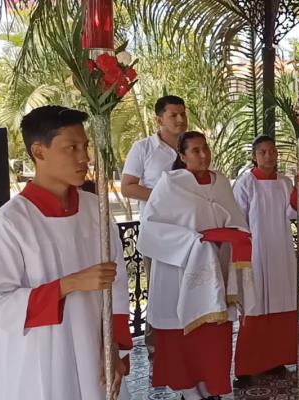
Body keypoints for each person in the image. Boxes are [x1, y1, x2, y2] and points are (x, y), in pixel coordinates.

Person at [0, 105, 131, 400]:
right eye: (71, 147)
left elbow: (119, 283)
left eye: (85, 146)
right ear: (39, 151)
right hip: (45, 356)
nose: (84, 157)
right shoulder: (11, 221)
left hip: (96, 349)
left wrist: (112, 343)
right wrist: (70, 284)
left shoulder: (96, 211)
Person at [138, 132, 253, 400]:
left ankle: (211, 385)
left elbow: (235, 220)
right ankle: (188, 388)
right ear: (182, 156)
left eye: (205, 149)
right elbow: (151, 229)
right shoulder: (170, 184)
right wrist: (196, 240)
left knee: (214, 336)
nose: (203, 155)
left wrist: (232, 235)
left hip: (218, 271)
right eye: (195, 151)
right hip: (179, 271)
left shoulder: (221, 182)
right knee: (181, 336)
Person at [232, 135, 299, 388]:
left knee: (282, 301)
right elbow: (238, 220)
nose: (269, 156)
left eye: (273, 151)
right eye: (263, 152)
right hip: (256, 251)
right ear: (254, 155)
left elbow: (293, 213)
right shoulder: (246, 183)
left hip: (281, 249)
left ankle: (278, 358)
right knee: (256, 304)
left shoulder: (285, 182)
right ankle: (249, 365)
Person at [121, 95, 186, 361]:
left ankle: (186, 344)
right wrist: (164, 196)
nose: (180, 119)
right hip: (157, 234)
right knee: (160, 290)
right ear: (160, 119)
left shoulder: (192, 146)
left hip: (188, 233)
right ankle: (156, 350)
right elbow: (127, 186)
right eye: (174, 115)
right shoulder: (143, 148)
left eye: (183, 114)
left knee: (187, 288)